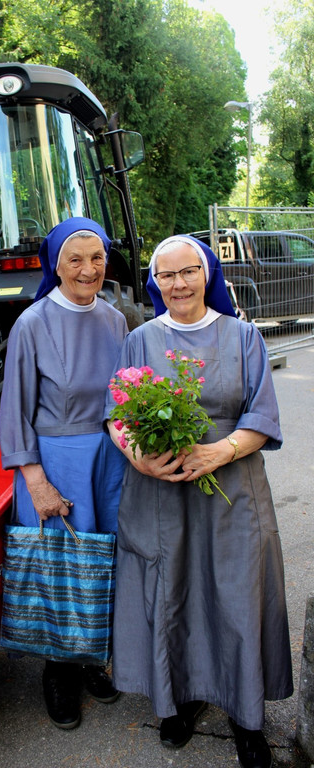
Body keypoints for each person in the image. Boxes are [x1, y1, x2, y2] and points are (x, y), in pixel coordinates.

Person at [106, 235, 293, 768]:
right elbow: (115, 413)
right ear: (155, 283)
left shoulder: (243, 336)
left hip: (231, 491)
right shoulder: (140, 340)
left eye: (188, 271)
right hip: (162, 492)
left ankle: (246, 717)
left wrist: (218, 451)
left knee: (236, 595)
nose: (178, 284)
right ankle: (179, 700)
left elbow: (262, 416)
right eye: (166, 275)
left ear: (207, 275)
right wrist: (138, 455)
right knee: (174, 595)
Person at [0, 217, 128, 730]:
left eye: (97, 258)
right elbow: (15, 410)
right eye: (76, 259)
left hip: (108, 460)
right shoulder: (32, 323)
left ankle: (91, 655)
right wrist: (36, 481)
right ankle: (58, 671)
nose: (88, 269)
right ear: (56, 265)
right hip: (54, 461)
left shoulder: (115, 319)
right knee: (59, 567)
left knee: (99, 559)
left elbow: (125, 393)